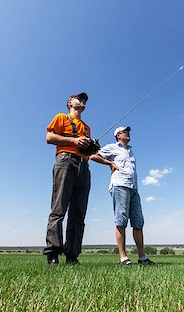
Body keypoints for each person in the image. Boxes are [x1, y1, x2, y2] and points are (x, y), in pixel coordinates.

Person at [91, 126, 155, 265]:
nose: (128, 133)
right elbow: (94, 156)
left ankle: (142, 258)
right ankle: (123, 257)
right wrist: (110, 163)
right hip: (120, 185)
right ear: (118, 135)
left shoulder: (130, 150)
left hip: (134, 188)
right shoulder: (112, 147)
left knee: (138, 222)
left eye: (128, 131)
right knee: (121, 220)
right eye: (125, 132)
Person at [43, 92, 93, 265]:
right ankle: (53, 253)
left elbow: (87, 150)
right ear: (70, 103)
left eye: (85, 99)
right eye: (79, 98)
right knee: (59, 208)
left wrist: (91, 147)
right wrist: (74, 141)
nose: (83, 101)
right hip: (65, 161)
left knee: (78, 212)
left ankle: (72, 254)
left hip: (84, 166)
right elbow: (49, 137)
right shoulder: (61, 117)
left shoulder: (87, 127)